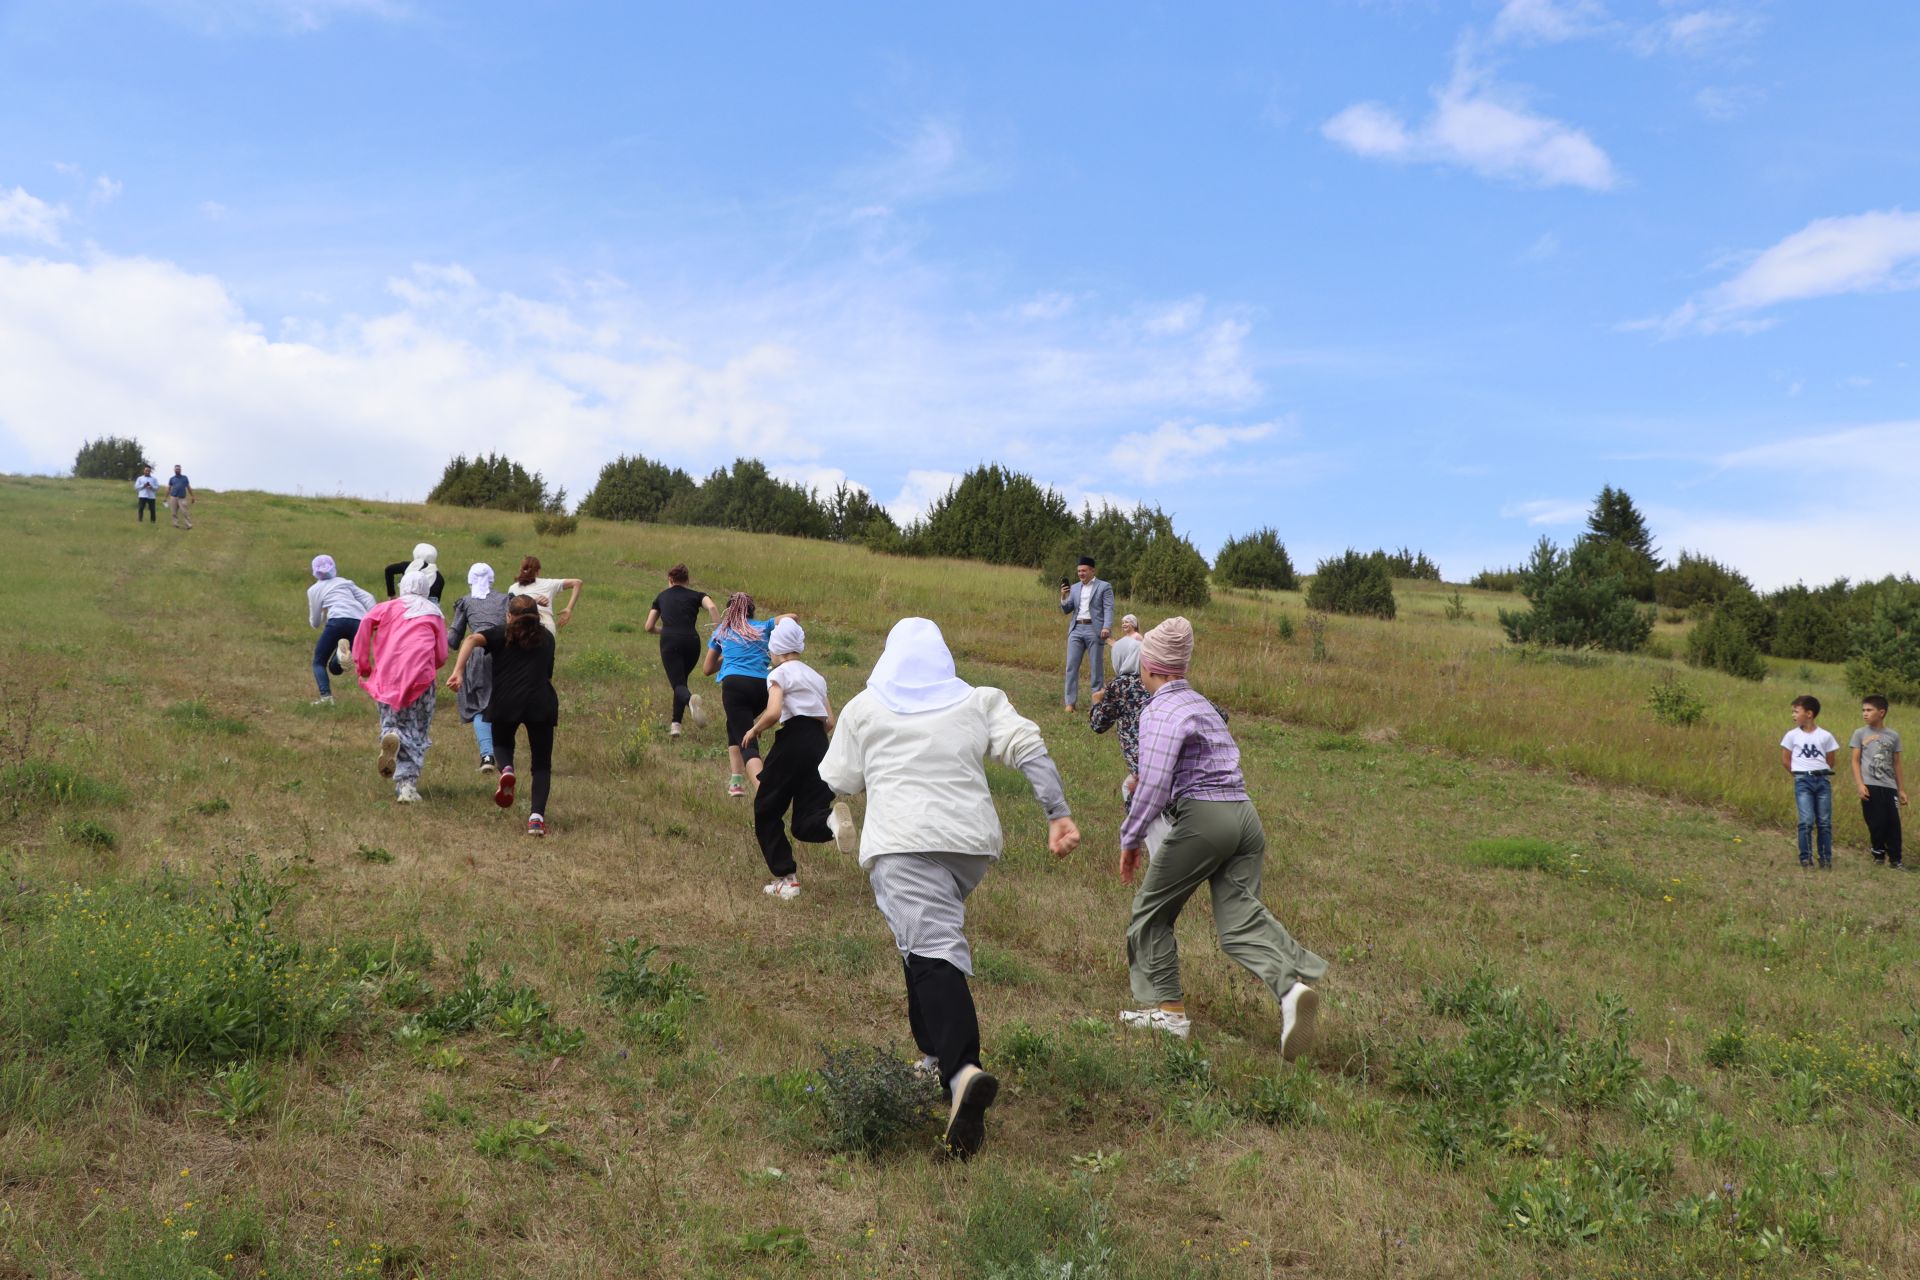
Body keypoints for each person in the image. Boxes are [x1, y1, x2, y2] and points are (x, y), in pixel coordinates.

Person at [818, 617, 1080, 1160]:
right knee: (919, 940)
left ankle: (961, 1072)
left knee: (933, 948)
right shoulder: (979, 700)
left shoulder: (865, 708)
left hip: (902, 842)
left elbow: (838, 780)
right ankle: (935, 1055)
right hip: (969, 848)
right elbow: (1027, 746)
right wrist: (1057, 813)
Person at [1117, 617, 1325, 1061]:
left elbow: (1152, 783)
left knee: (1151, 913)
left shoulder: (1159, 710)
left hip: (1205, 819)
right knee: (1238, 921)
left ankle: (1169, 1014)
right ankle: (1291, 991)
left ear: (1149, 666)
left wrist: (1130, 837)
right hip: (1245, 818)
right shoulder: (1202, 704)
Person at [740, 618, 851, 899]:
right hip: (818, 743)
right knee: (805, 820)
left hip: (793, 739)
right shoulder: (816, 677)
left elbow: (775, 712)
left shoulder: (779, 674)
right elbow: (829, 720)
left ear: (776, 648)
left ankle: (787, 881)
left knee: (766, 809)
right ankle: (831, 821)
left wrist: (754, 728)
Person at [449, 594, 558, 837]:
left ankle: (507, 769)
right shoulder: (548, 638)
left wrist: (458, 671)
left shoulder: (502, 633)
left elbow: (471, 639)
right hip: (541, 701)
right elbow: (548, 671)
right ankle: (536, 819)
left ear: (509, 616)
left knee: (501, 742)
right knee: (541, 766)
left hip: (506, 701)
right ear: (537, 616)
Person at [354, 566, 447, 804]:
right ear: (426, 590)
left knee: (391, 721)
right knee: (417, 729)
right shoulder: (434, 612)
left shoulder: (386, 607)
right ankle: (407, 786)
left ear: (402, 587)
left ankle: (392, 734)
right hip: (420, 679)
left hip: (387, 675)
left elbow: (365, 625)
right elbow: (442, 655)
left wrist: (363, 664)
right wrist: (430, 664)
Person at [1088, 631, 1172, 858]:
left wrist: (1097, 702)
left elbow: (1098, 724)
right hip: (1170, 760)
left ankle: (1162, 862)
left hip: (1146, 768)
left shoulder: (1121, 685)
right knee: (1132, 789)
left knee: (1146, 805)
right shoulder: (1161, 681)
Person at [702, 592, 789, 797]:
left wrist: (730, 654)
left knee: (747, 742)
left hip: (735, 687)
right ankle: (736, 781)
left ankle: (763, 793)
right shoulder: (763, 626)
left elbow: (707, 668)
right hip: (762, 687)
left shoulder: (723, 631)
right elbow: (791, 617)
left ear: (729, 611)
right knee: (735, 724)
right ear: (752, 610)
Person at [447, 563, 510, 773]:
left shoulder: (466, 602)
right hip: (504, 651)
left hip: (477, 653)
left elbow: (454, 639)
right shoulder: (505, 599)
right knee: (500, 702)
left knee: (479, 705)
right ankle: (505, 756)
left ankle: (487, 755)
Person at [645, 564, 718, 737]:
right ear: (688, 580)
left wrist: (665, 630)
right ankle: (676, 725)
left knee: (678, 684)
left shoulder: (661, 596)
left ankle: (689, 701)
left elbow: (648, 626)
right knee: (681, 681)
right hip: (692, 642)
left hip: (670, 641)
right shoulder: (697, 595)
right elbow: (713, 608)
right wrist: (718, 631)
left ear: (670, 580)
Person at [1781, 694, 1841, 870]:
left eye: (1796, 711)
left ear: (1809, 713)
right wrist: (1798, 774)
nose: (1793, 715)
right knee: (1806, 820)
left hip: (1822, 780)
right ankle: (1806, 858)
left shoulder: (1825, 736)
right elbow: (1786, 759)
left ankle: (1825, 858)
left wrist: (1819, 772)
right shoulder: (1791, 736)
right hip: (1802, 781)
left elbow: (1830, 760)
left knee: (1824, 822)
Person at [306, 554, 375, 705]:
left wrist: (324, 613)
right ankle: (340, 654)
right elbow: (368, 598)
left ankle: (326, 697)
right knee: (335, 669)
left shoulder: (314, 590)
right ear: (333, 568)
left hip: (336, 620)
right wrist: (373, 618)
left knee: (318, 662)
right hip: (359, 622)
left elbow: (315, 622)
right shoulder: (344, 582)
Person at [1850, 695, 1906, 870]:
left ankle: (1896, 860)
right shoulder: (1860, 733)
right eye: (1863, 710)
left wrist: (1901, 789)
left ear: (1881, 712)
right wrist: (1860, 785)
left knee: (1893, 824)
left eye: (1869, 710)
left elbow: (1896, 763)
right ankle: (1878, 854)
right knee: (1877, 822)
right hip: (1870, 785)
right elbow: (1855, 761)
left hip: (1889, 786)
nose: (1865, 714)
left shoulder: (1893, 736)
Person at [1057, 556, 1113, 713]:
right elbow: (1067, 609)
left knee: (1096, 668)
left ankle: (1096, 704)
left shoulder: (1104, 587)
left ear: (1092, 570)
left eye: (1084, 570)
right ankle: (1070, 703)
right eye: (1079, 571)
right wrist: (1063, 596)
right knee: (1071, 667)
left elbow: (1109, 608)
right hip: (1076, 629)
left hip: (1094, 630)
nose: (1081, 573)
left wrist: (1106, 627)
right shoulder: (1074, 588)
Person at [506, 555, 583, 636]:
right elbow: (577, 582)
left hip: (522, 624)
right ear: (538, 571)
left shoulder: (513, 588)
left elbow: (511, 610)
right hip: (547, 625)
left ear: (521, 569)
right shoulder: (548, 584)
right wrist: (569, 609)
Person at [166, 465, 194, 529]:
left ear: (180, 470)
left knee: (185, 512)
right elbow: (169, 488)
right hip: (173, 497)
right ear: (174, 470)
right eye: (176, 469)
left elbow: (188, 487)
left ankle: (188, 525)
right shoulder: (172, 479)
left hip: (182, 498)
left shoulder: (185, 478)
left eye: (179, 469)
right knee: (173, 512)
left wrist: (192, 496)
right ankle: (175, 524)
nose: (177, 470)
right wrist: (165, 497)